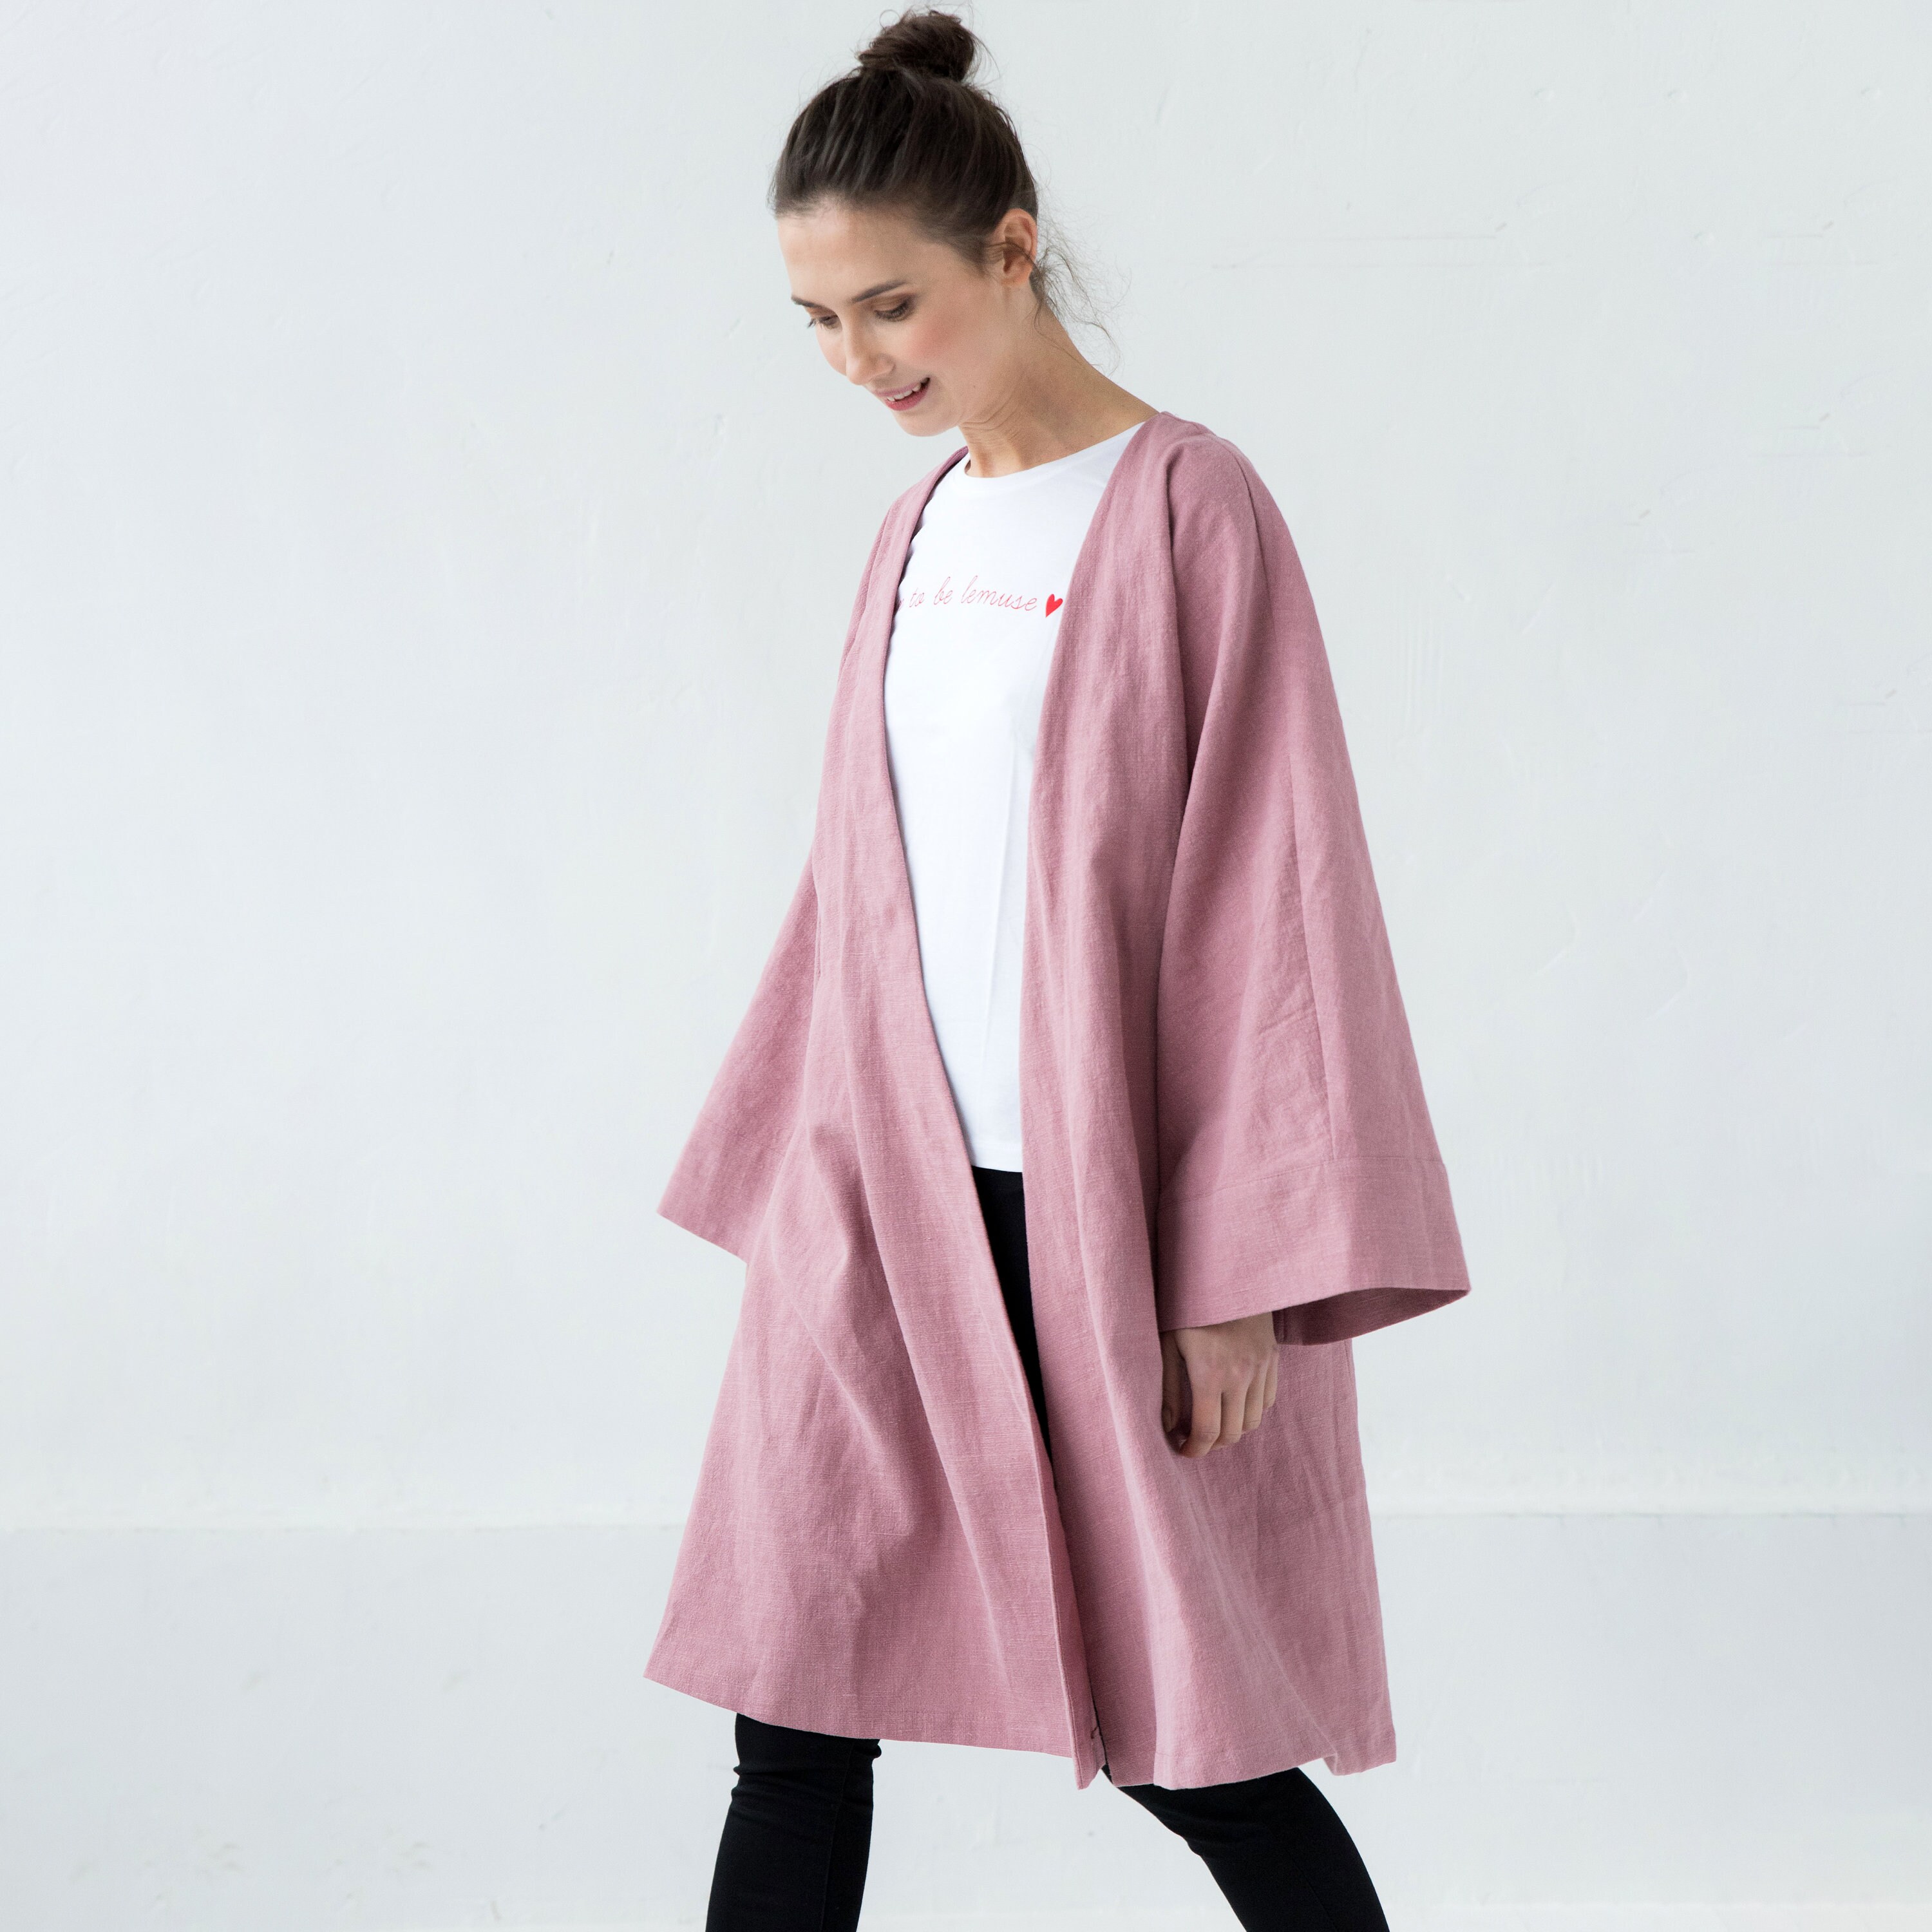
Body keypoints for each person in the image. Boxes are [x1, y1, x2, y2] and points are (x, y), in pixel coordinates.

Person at [650, 11, 1473, 1929]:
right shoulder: (916, 526)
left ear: (1011, 250)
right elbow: (866, 889)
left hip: (1105, 1217)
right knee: (793, 1703)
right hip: (878, 1199)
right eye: (818, 320)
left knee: (1205, 1746)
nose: (861, 360)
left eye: (893, 305)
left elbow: (1276, 902)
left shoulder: (1187, 507)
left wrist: (1241, 1274)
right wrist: (795, 1160)